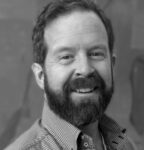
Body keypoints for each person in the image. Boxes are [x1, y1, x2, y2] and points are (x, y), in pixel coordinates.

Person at [5, 0, 136, 149]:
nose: (85, 69)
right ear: (41, 76)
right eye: (66, 57)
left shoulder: (124, 143)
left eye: (96, 54)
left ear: (112, 65)